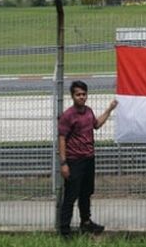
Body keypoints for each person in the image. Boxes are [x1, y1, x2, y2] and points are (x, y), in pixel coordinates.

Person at [58, 80, 118, 238]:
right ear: (72, 96)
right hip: (74, 161)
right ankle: (65, 230)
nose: (81, 97)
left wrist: (110, 109)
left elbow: (96, 124)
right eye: (78, 94)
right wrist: (63, 163)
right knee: (71, 196)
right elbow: (62, 138)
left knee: (86, 194)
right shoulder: (68, 116)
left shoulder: (89, 111)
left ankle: (86, 223)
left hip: (88, 159)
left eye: (84, 94)